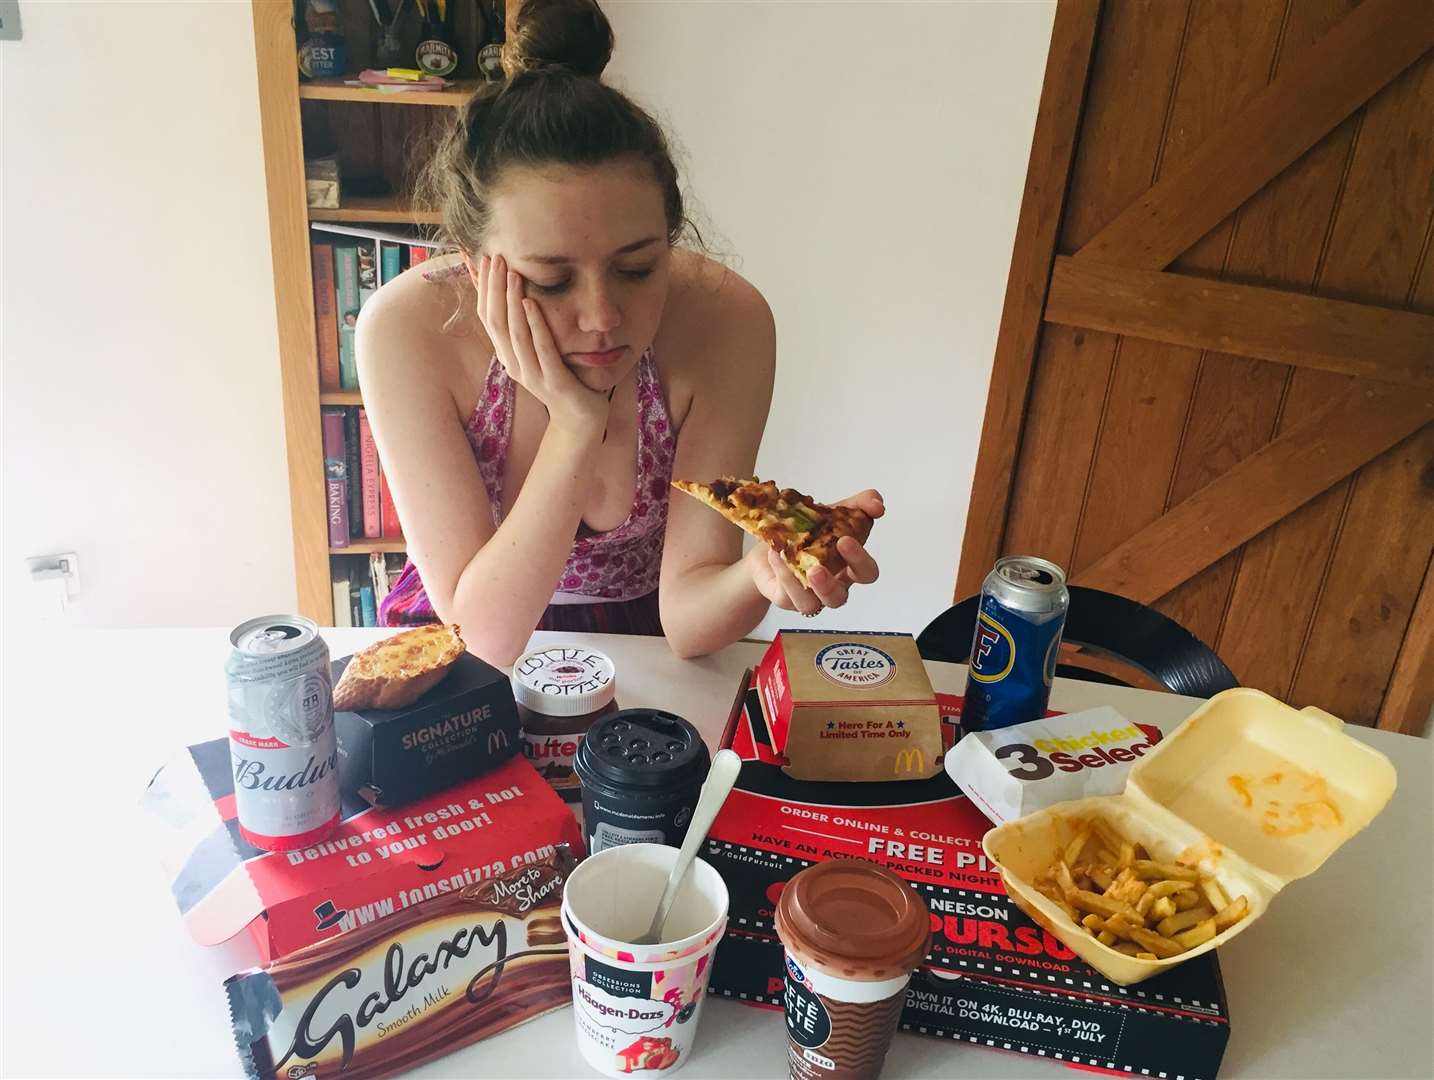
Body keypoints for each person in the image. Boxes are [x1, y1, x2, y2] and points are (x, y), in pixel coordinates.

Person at [358, 0, 882, 666]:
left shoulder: (727, 319)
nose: (602, 316)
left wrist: (760, 576)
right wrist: (577, 424)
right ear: (472, 262)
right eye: (550, 280)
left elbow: (688, 622)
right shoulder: (407, 330)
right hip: (467, 623)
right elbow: (484, 638)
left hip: (641, 642)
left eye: (637, 268)